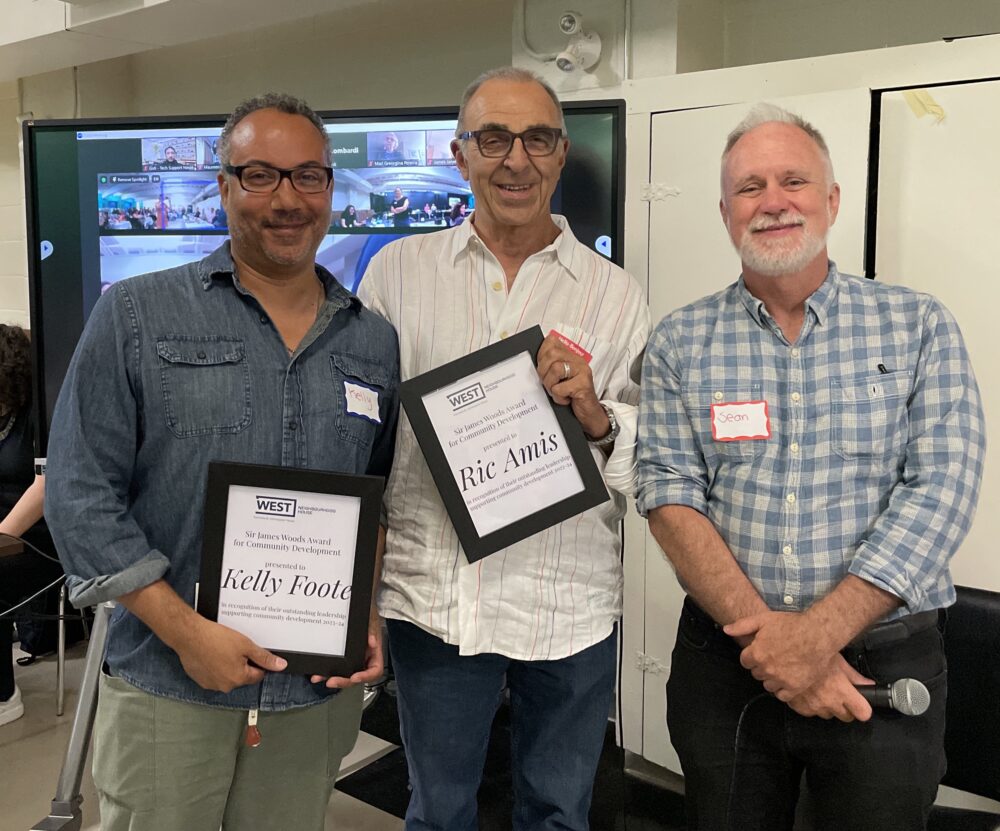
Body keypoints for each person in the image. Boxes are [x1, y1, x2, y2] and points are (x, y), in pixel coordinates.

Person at [46, 93, 400, 830]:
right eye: (260, 174)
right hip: (169, 686)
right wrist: (187, 633)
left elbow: (374, 496)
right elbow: (79, 495)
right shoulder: (136, 314)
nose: (287, 199)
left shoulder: (372, 341)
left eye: (307, 176)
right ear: (224, 185)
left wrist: (362, 608)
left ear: (331, 188)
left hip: (308, 697)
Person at [636, 103, 986, 831]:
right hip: (727, 672)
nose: (772, 201)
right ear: (725, 212)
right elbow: (669, 496)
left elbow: (943, 489)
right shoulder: (680, 340)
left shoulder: (918, 325)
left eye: (793, 180)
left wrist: (814, 639)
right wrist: (777, 649)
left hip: (883, 664)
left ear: (831, 199)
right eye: (749, 186)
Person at [357, 66, 650, 831]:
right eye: (493, 138)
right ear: (461, 155)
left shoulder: (615, 293)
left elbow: (648, 457)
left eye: (538, 139)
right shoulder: (395, 274)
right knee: (438, 811)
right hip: (435, 601)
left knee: (558, 814)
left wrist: (595, 414)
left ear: (560, 154)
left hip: (568, 601)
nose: (516, 159)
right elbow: (364, 437)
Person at [0, 325, 62, 727]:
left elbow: (46, 486)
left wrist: (2, 535)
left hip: (38, 542)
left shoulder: (40, 418)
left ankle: (4, 695)